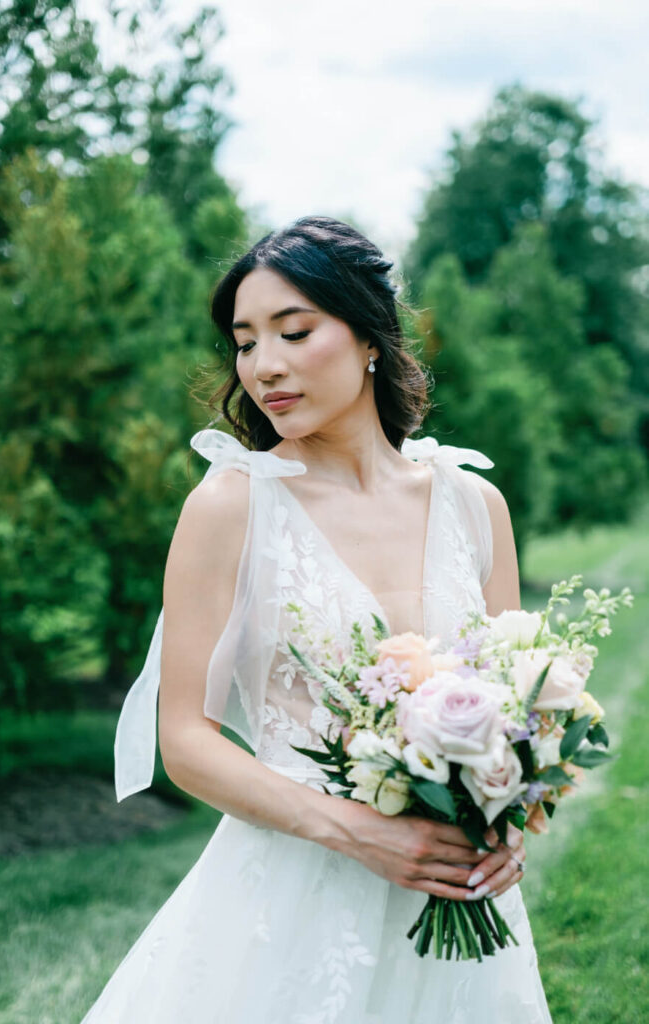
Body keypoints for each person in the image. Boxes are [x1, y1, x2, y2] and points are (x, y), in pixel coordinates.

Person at [81, 216, 553, 1022]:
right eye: (245, 342)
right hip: (292, 902)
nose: (265, 366)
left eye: (294, 332)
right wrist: (359, 833)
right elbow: (186, 742)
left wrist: (514, 814)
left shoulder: (476, 505)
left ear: (371, 337)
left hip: (458, 895)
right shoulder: (231, 505)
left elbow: (519, 705)